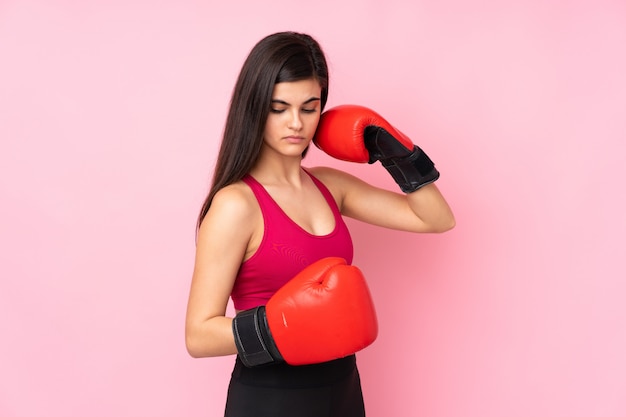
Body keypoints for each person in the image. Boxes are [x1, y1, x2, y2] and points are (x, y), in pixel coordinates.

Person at [185, 31, 455, 417]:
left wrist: (391, 149)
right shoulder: (236, 205)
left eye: (309, 108)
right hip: (270, 397)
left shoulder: (331, 185)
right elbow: (198, 335)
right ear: (255, 107)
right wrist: (284, 324)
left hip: (342, 389)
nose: (296, 123)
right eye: (279, 108)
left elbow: (436, 218)